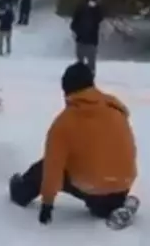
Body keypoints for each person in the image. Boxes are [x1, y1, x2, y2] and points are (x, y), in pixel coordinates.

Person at [8, 62, 139, 227]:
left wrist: (47, 204)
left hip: (95, 189)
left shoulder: (64, 123)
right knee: (97, 168)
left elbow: (53, 168)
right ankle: (113, 205)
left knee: (43, 168)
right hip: (124, 183)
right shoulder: (115, 109)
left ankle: (20, 192)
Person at [70, 0, 104, 73]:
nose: (92, 3)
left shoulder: (96, 11)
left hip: (91, 41)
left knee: (91, 60)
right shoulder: (80, 10)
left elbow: (100, 18)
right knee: (81, 59)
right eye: (91, 1)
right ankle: (82, 73)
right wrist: (77, 31)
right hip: (82, 40)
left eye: (94, 2)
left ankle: (90, 73)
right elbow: (74, 23)